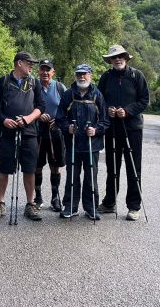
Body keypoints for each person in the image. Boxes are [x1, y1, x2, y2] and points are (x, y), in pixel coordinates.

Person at [0, 51, 46, 222]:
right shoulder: (4, 80)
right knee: (4, 168)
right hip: (7, 132)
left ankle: (30, 204)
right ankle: (0, 203)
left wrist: (28, 118)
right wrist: (4, 120)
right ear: (19, 63)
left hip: (29, 132)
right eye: (29, 63)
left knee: (29, 168)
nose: (32, 66)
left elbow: (41, 106)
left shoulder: (34, 82)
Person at [97, 44, 150, 221]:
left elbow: (144, 100)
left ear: (126, 58)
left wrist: (127, 111)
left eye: (120, 56)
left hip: (133, 128)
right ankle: (109, 202)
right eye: (114, 57)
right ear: (110, 60)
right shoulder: (106, 77)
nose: (117, 59)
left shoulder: (137, 75)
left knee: (133, 167)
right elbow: (99, 100)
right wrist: (107, 110)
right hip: (112, 128)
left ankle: (134, 206)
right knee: (112, 166)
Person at [56, 64, 108, 219]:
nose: (81, 77)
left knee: (91, 177)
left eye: (84, 74)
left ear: (90, 75)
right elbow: (60, 117)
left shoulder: (97, 95)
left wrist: (96, 130)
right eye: (79, 74)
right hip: (73, 144)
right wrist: (67, 127)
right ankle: (70, 207)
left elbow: (105, 120)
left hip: (92, 145)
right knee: (72, 176)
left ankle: (91, 208)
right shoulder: (68, 94)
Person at [34, 59, 66, 212]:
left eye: (48, 70)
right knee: (37, 165)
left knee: (55, 165)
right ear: (38, 71)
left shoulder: (60, 87)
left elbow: (68, 107)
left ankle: (55, 197)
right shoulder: (33, 86)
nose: (45, 72)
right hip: (37, 131)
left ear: (53, 72)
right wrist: (38, 115)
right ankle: (38, 197)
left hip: (55, 131)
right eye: (42, 69)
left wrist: (59, 120)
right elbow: (28, 105)